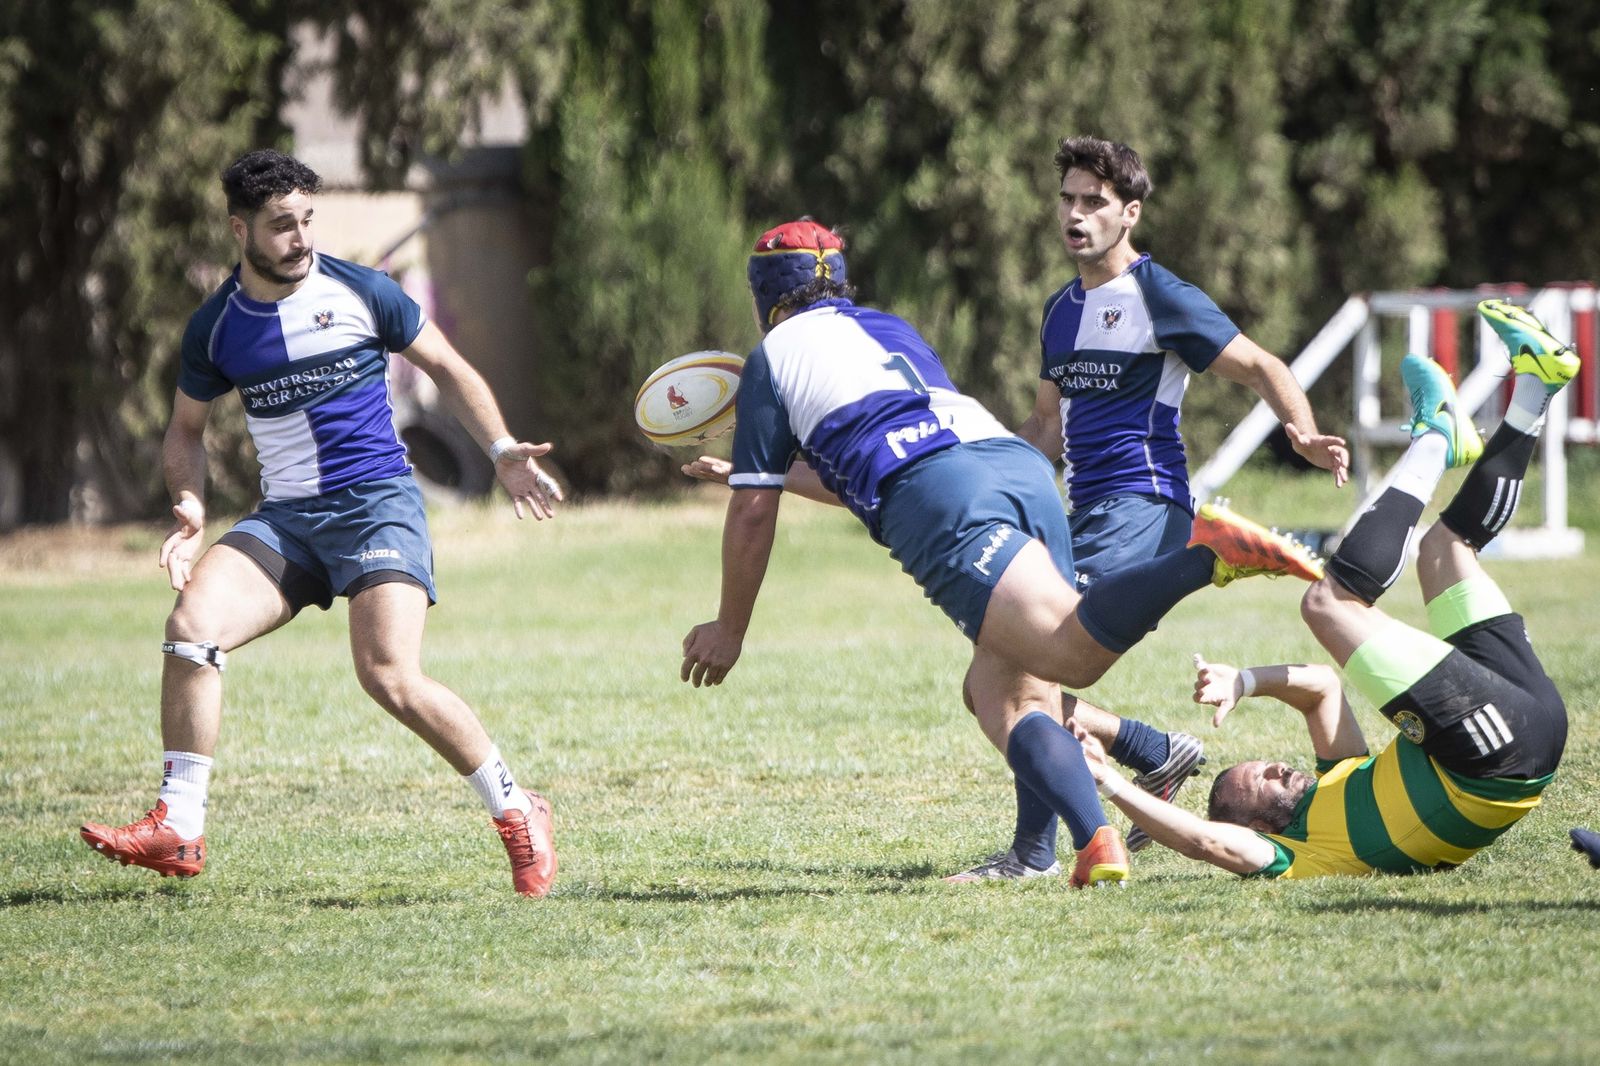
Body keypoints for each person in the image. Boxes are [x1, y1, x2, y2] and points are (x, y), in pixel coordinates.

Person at [679, 219, 1326, 887]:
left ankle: (1207, 557)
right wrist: (757, 471)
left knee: (1065, 656)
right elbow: (874, 460)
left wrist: (730, 628)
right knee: (1004, 686)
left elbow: (755, 515)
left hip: (943, 497)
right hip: (1012, 465)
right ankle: (1066, 847)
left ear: (764, 296)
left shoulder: (773, 356)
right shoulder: (889, 328)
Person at [79, 150, 562, 897]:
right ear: (240, 229)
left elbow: (451, 369)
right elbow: (184, 430)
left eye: (308, 219)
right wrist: (191, 506)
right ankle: (179, 824)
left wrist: (501, 452)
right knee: (192, 625)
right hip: (289, 520)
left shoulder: (364, 291)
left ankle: (517, 806)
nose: (300, 237)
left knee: (389, 676)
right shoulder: (217, 328)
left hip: (378, 503)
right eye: (281, 225)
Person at [951, 135, 1351, 878]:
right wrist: (970, 468)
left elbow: (1261, 363)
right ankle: (1148, 752)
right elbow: (1045, 427)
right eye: (1067, 200)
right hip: (1084, 514)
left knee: (1018, 668)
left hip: (1144, 504)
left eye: (1093, 203)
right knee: (993, 679)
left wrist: (1299, 430)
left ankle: (1037, 851)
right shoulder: (1059, 311)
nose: (1075, 214)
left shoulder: (1156, 293)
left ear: (1129, 213)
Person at [1077, 300, 1575, 878]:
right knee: (1327, 602)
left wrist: (1245, 681)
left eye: (1262, 764)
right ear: (1259, 828)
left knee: (1446, 551)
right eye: (1259, 783)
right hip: (1491, 761)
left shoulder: (1336, 778)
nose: (1274, 769)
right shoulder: (1297, 853)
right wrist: (1110, 782)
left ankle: (1537, 387)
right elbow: (1204, 843)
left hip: (1522, 723)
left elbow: (1320, 688)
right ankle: (1436, 438)